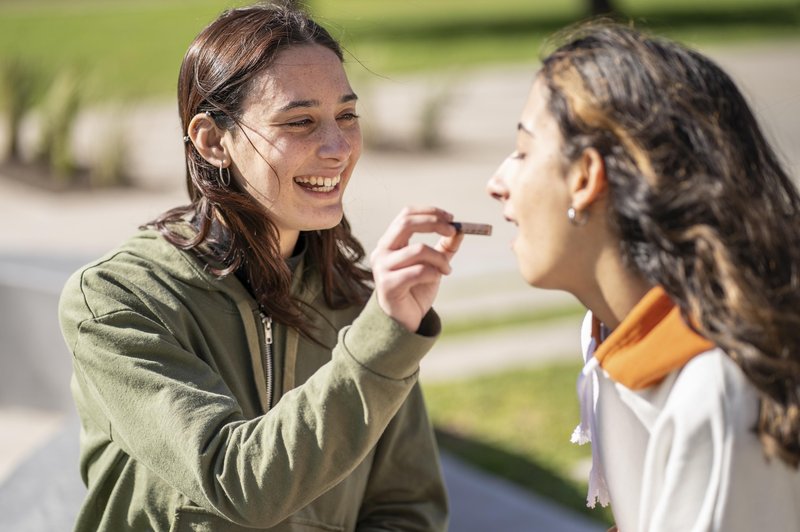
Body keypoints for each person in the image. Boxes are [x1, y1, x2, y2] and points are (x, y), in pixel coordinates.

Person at [58, 3, 462, 531]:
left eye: (346, 115)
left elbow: (407, 507)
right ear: (211, 140)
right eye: (300, 122)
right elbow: (236, 482)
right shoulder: (116, 299)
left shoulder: (357, 304)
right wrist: (379, 343)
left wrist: (380, 329)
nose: (338, 148)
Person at [487, 22, 800, 532]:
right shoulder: (611, 335)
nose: (497, 183)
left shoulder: (716, 395)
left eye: (523, 152)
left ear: (586, 178)